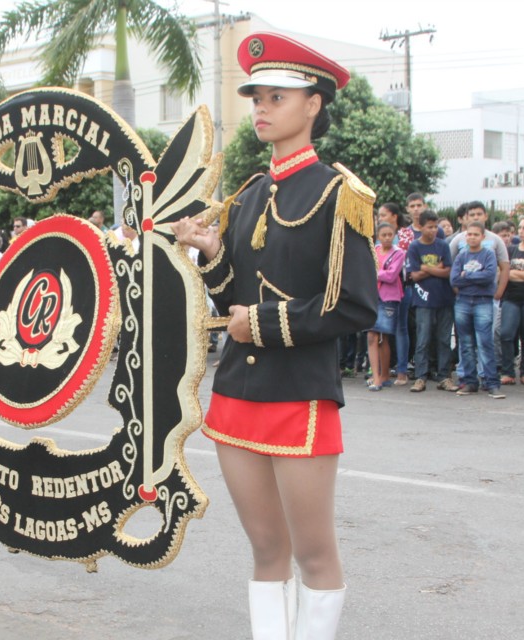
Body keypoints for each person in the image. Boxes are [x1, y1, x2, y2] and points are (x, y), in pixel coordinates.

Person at [173, 33, 377, 640]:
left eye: (277, 96)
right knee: (265, 549)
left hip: (300, 395)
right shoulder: (249, 194)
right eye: (257, 97)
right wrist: (211, 256)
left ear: (313, 104)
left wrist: (260, 322)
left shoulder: (340, 195)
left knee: (313, 553)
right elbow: (232, 294)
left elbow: (354, 306)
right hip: (237, 390)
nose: (261, 107)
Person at [450, 222, 504, 398]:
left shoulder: (488, 254)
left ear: (482, 237)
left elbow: (489, 276)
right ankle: (469, 382)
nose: (472, 237)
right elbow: (454, 280)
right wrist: (472, 278)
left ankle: (491, 382)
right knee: (465, 344)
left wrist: (468, 276)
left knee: (484, 342)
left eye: (475, 234)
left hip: (483, 302)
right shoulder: (461, 256)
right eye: (469, 234)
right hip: (463, 302)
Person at [406, 211, 456, 392]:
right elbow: (414, 275)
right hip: (423, 300)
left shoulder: (443, 245)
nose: (434, 230)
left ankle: (444, 376)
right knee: (423, 339)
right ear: (421, 227)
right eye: (430, 226)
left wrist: (426, 268)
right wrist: (436, 268)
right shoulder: (414, 247)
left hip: (444, 298)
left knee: (443, 339)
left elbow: (448, 271)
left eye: (436, 227)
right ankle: (421, 377)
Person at [499, 216, 524, 385]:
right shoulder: (510, 250)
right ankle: (508, 372)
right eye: (520, 228)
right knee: (506, 333)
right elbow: (503, 273)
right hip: (511, 298)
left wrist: (514, 274)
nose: (522, 232)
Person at [367, 222, 405, 390]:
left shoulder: (398, 253)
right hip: (372, 296)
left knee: (384, 338)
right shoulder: (373, 251)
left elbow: (391, 276)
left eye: (390, 234)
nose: (388, 238)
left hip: (389, 298)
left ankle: (384, 375)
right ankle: (375, 377)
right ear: (378, 236)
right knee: (371, 336)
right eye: (384, 235)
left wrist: (375, 273)